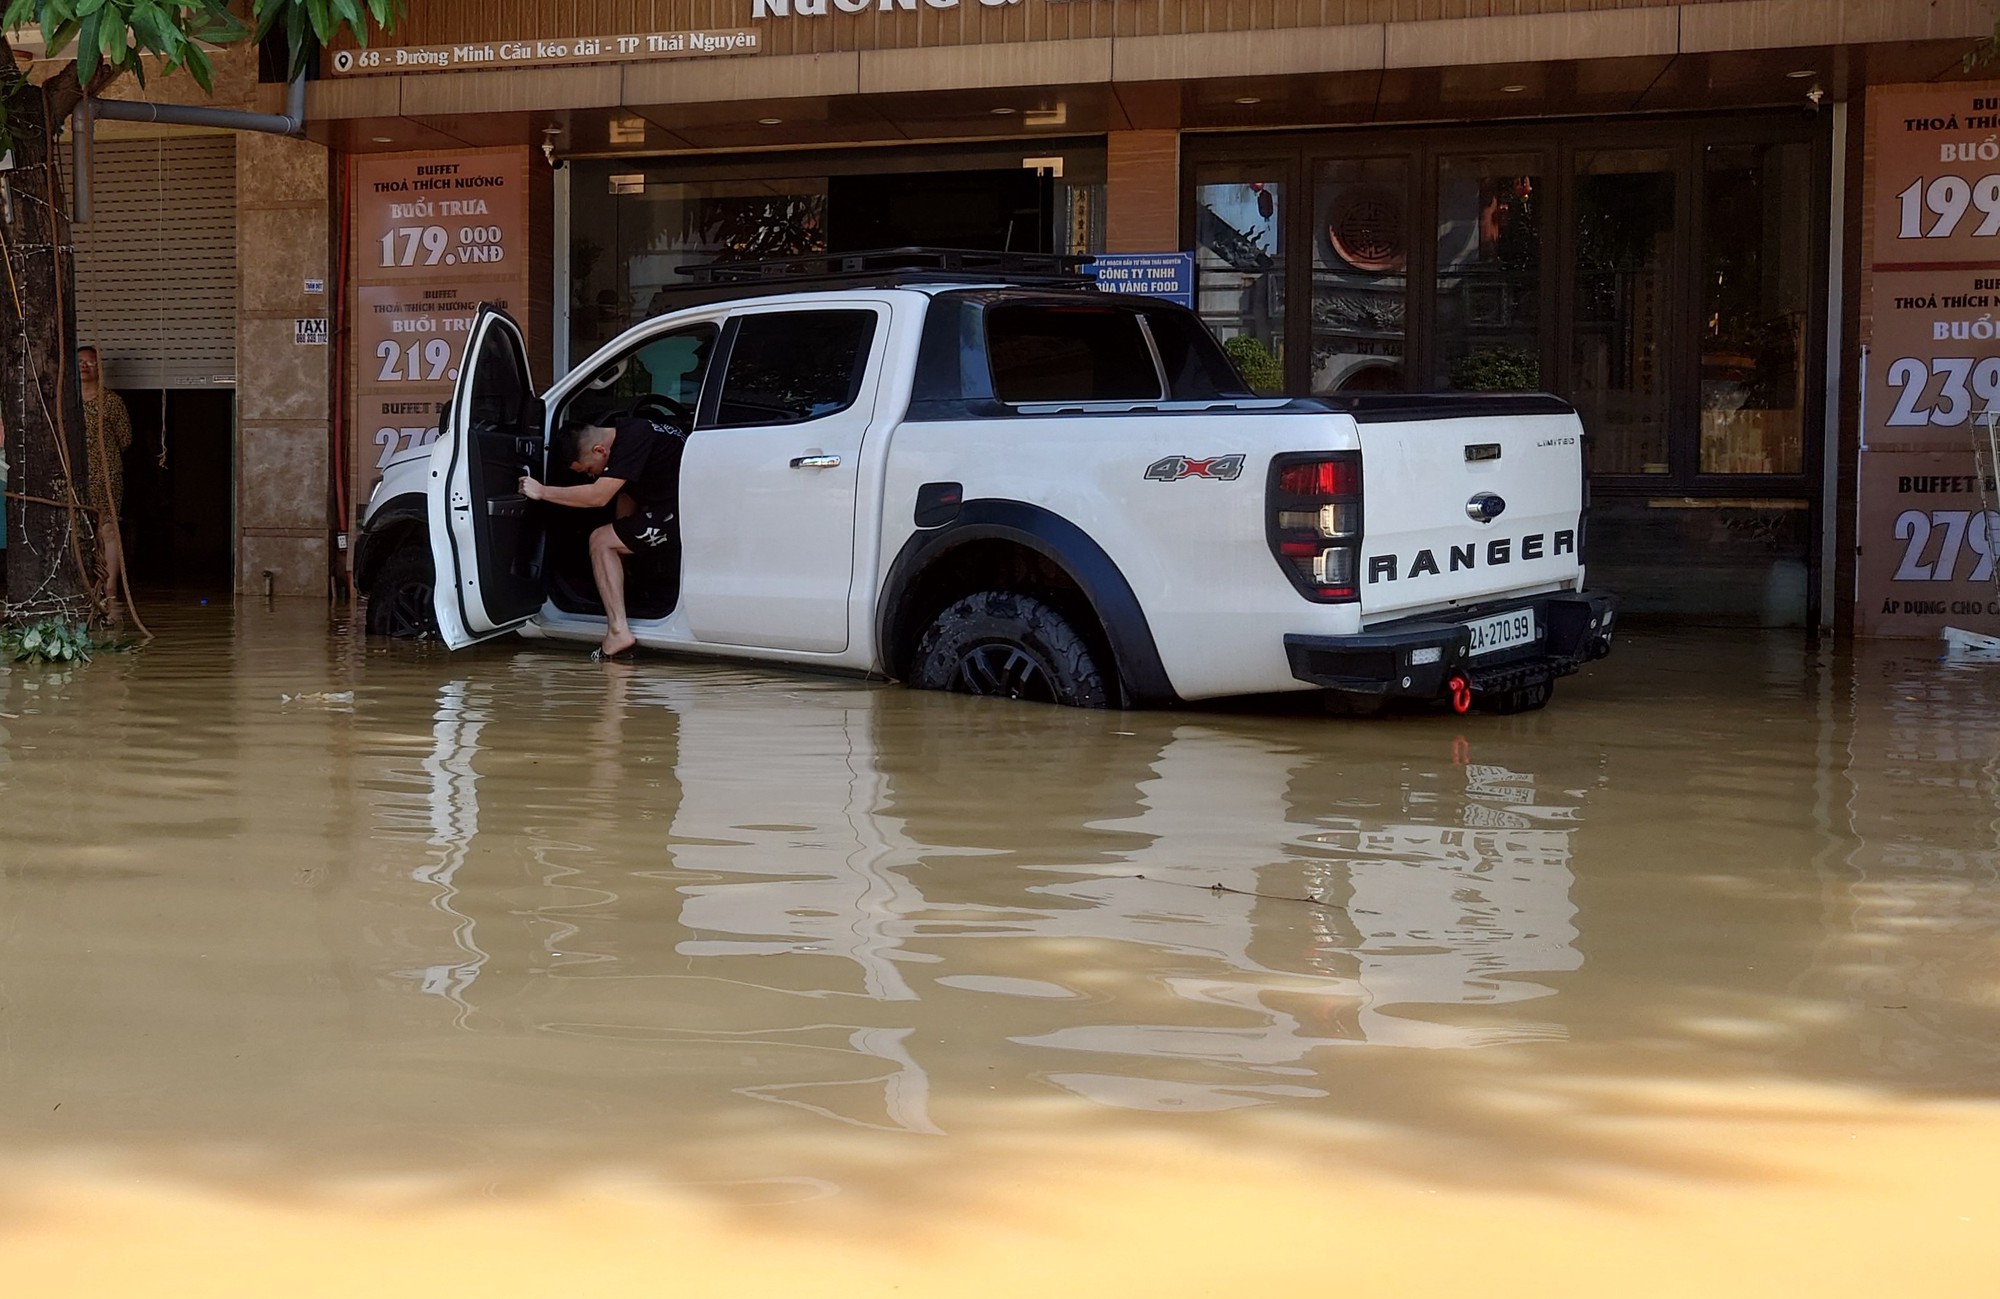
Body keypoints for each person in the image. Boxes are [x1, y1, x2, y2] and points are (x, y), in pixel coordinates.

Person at [518, 415, 685, 659]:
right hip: (675, 506)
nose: (591, 476)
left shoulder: (634, 437)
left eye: (588, 469)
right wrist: (622, 545)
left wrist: (542, 492)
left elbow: (598, 496)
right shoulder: (628, 429)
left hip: (684, 512)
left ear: (599, 450)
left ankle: (618, 631)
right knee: (609, 539)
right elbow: (627, 496)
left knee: (600, 541)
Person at [79, 346, 133, 610]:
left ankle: (110, 590)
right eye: (81, 362)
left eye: (91, 362)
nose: (86, 366)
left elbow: (125, 438)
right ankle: (83, 585)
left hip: (106, 473)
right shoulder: (65, 401)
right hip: (73, 475)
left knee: (108, 529)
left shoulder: (111, 402)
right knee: (79, 529)